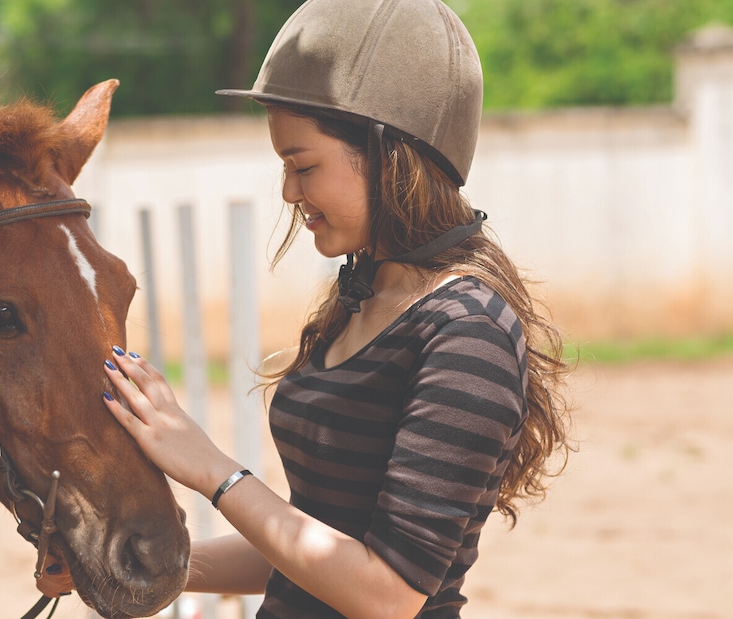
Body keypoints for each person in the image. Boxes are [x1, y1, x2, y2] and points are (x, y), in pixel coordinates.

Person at [37, 0, 574, 617]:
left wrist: (210, 467)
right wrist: (137, 567)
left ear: (390, 154)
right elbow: (307, 552)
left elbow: (385, 594)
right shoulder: (361, 300)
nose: (289, 192)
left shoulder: (468, 335)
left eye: (304, 166)